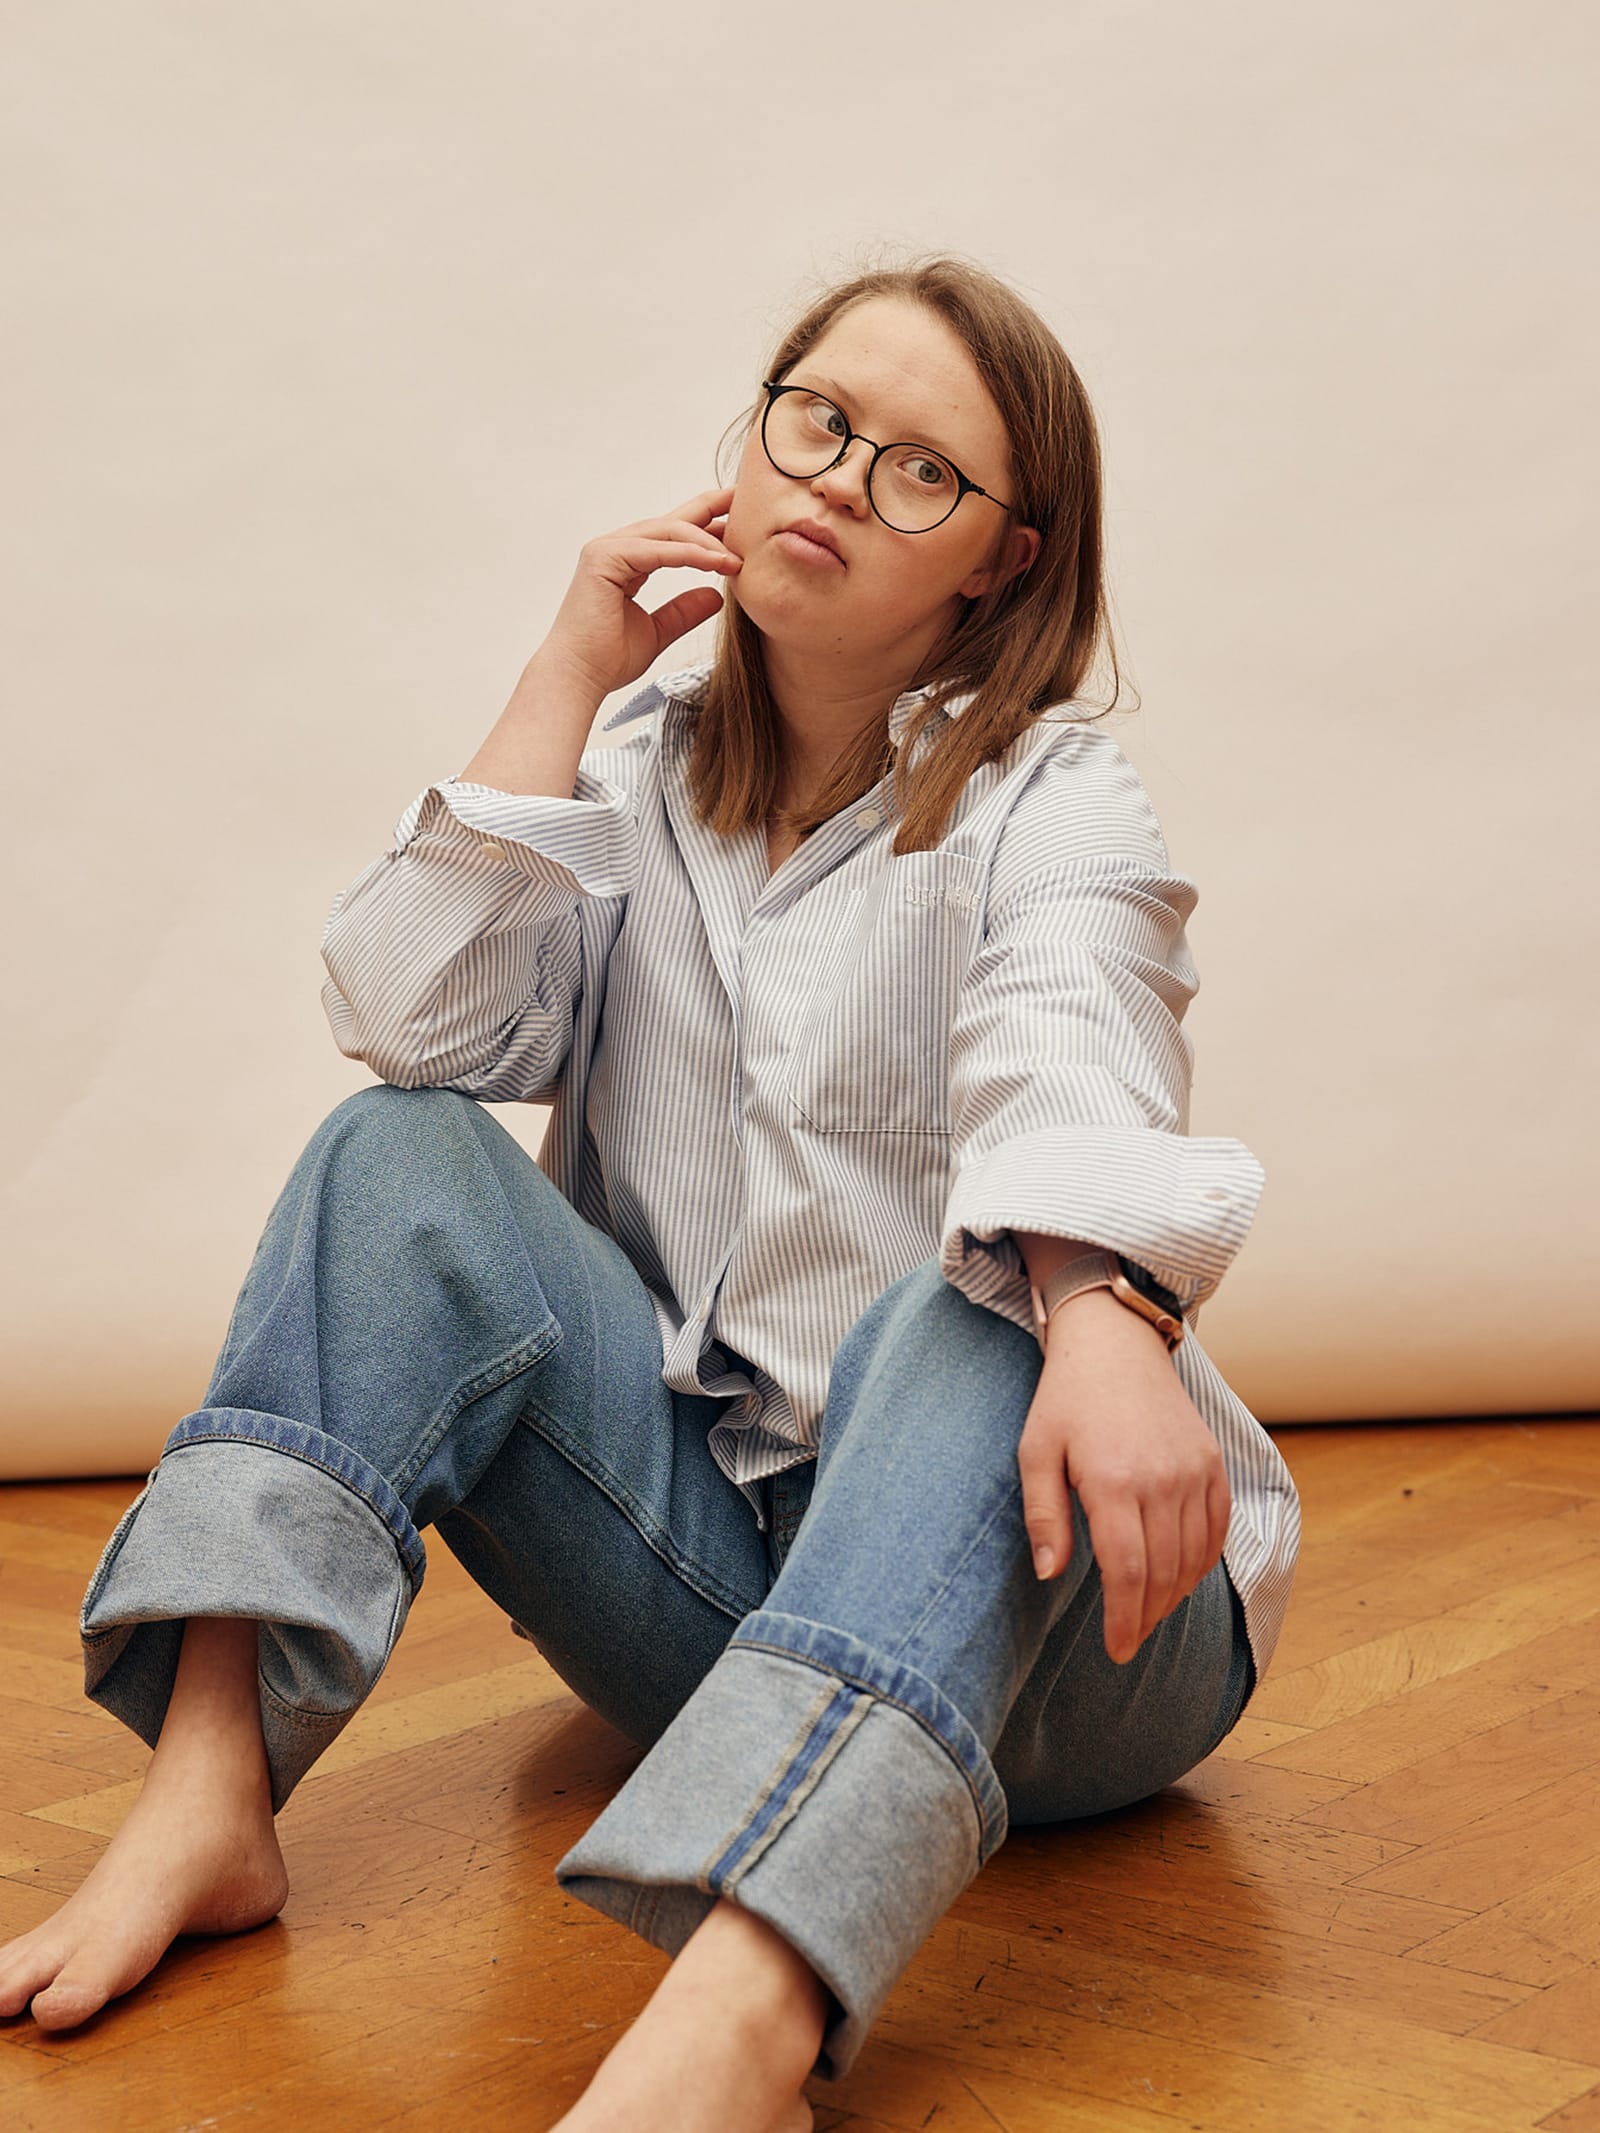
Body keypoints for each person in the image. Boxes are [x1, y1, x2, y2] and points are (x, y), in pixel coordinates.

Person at [0, 254, 1300, 2132]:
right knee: (400, 1154)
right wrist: (567, 666)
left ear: (1002, 560)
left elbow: (1070, 1044)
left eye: (921, 470)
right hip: (722, 1591)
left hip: (1081, 1622)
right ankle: (210, 1794)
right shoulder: (629, 774)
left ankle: (743, 2020)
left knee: (970, 1302)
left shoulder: (1054, 801)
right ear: (755, 441)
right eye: (819, 420)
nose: (843, 478)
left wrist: (1103, 1309)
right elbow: (408, 1019)